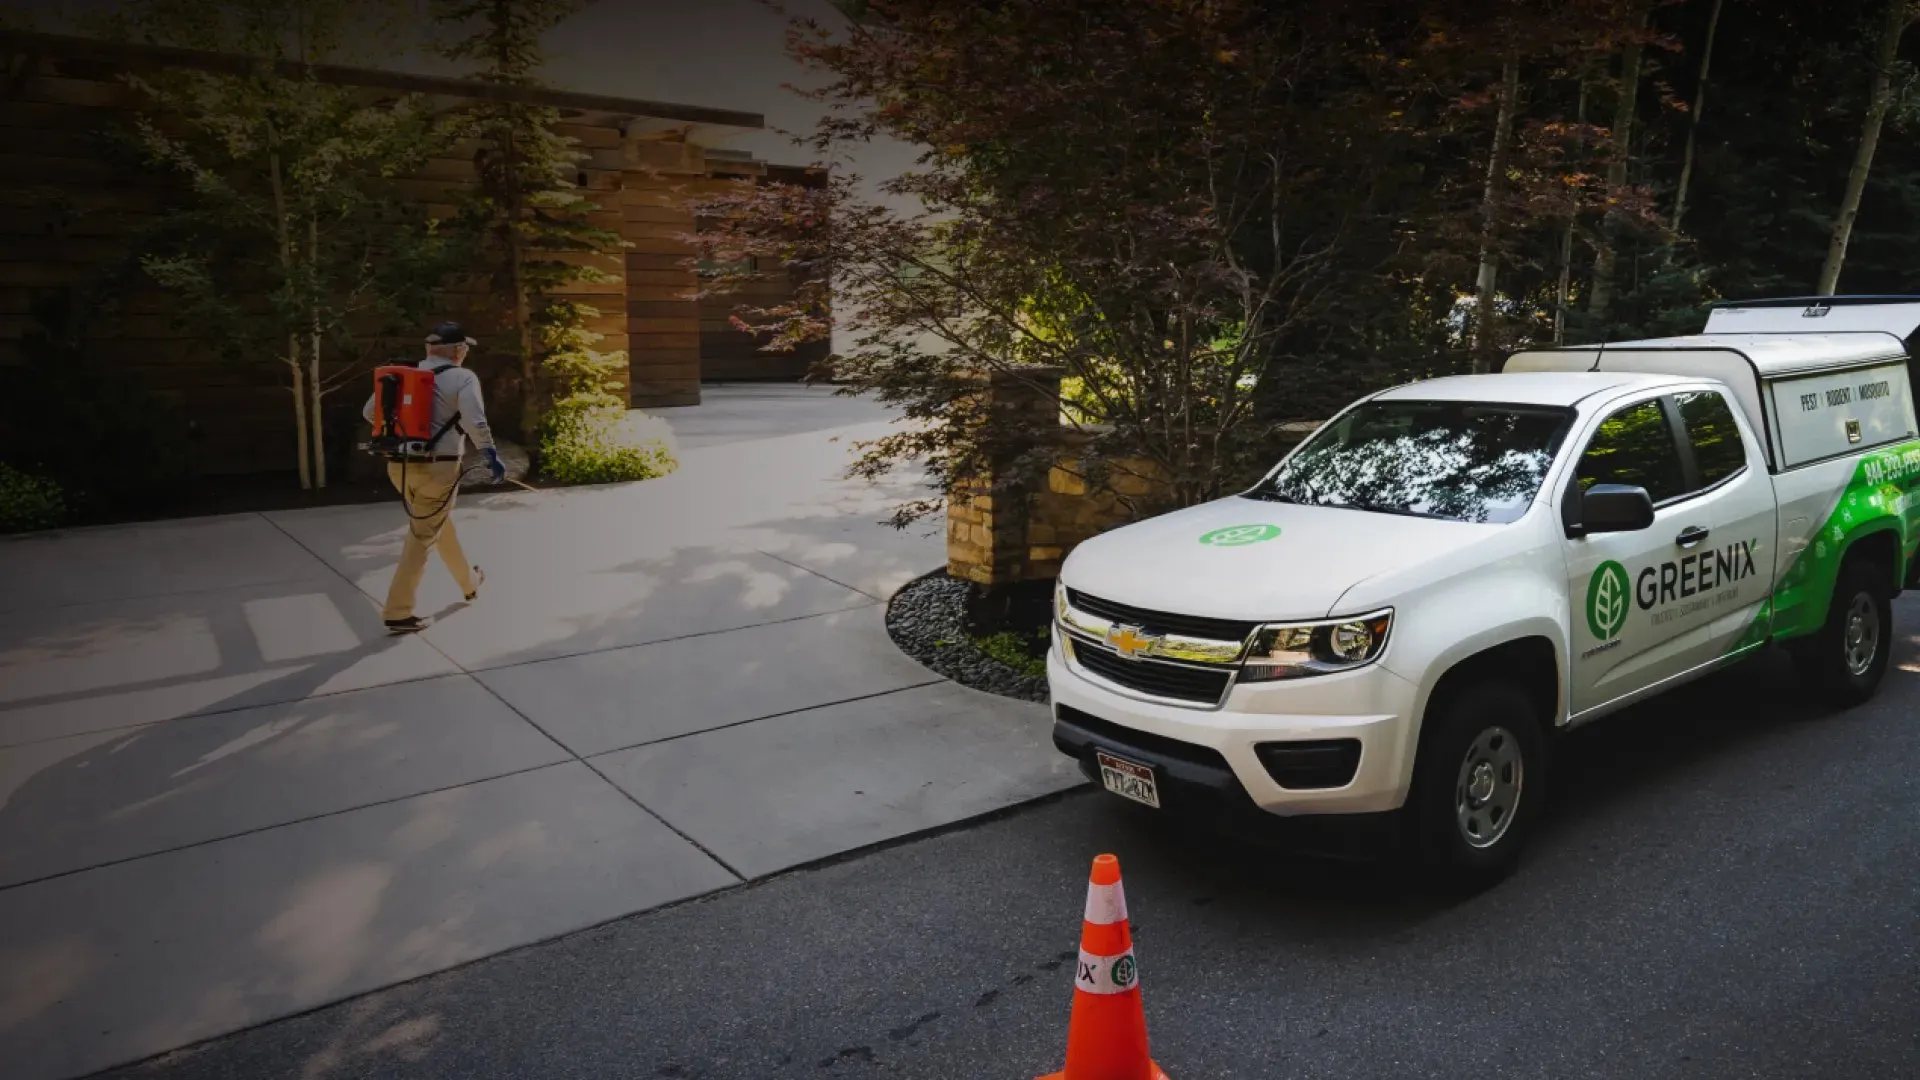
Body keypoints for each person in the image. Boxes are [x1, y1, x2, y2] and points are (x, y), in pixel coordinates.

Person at [362, 321, 507, 634]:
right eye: (464, 347)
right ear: (457, 350)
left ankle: (469, 582)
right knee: (424, 535)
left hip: (398, 466)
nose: (465, 352)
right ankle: (398, 611)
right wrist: (490, 455)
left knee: (437, 524)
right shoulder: (463, 377)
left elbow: (369, 412)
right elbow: (474, 419)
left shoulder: (402, 375)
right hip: (438, 468)